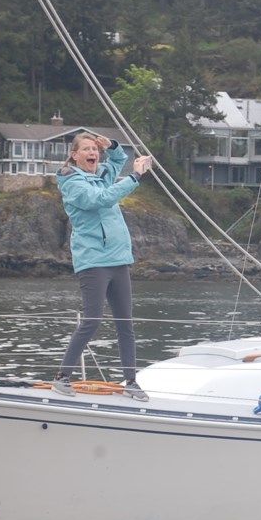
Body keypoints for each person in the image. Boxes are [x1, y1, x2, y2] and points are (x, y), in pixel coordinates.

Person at [53, 133, 152, 399]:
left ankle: (131, 381)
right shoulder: (73, 183)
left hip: (118, 260)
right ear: (75, 155)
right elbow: (100, 200)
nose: (92, 152)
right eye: (86, 149)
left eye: (95, 149)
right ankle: (63, 377)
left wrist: (113, 146)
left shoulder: (101, 175)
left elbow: (119, 159)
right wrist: (135, 177)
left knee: (125, 324)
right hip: (94, 262)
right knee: (92, 320)